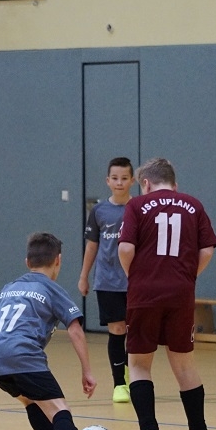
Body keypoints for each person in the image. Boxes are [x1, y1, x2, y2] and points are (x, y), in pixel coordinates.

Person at [0, 232, 108, 430]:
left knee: (32, 402)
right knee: (59, 409)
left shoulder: (10, 287)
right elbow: (75, 329)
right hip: (23, 356)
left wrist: (3, 344)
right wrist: (87, 371)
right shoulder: (51, 289)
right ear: (58, 260)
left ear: (27, 262)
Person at [118, 157, 216, 430]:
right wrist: (188, 276)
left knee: (139, 365)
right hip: (180, 294)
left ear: (145, 183)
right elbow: (207, 249)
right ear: (174, 184)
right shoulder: (193, 205)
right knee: (185, 366)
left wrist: (135, 276)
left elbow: (125, 248)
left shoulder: (137, 205)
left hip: (144, 293)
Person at [78, 156, 135, 403]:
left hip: (135, 281)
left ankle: (135, 377)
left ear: (132, 181)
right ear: (107, 181)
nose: (119, 182)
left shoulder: (139, 208)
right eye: (115, 178)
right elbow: (92, 246)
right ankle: (119, 383)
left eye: (124, 178)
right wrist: (84, 277)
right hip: (108, 281)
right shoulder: (99, 211)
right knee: (117, 330)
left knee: (135, 332)